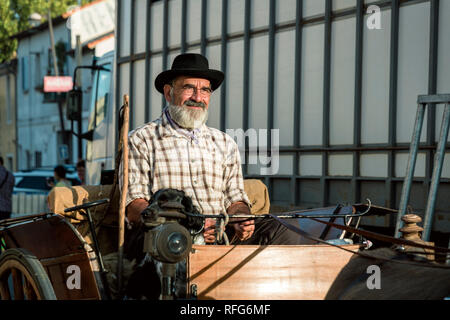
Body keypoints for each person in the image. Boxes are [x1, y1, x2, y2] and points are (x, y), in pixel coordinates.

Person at [119, 53, 302, 248]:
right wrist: (190, 227)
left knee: (286, 227)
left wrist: (241, 219)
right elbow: (134, 206)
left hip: (219, 239)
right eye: (189, 88)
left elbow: (236, 199)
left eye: (205, 90)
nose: (198, 98)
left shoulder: (224, 143)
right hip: (167, 242)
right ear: (168, 93)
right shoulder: (142, 139)